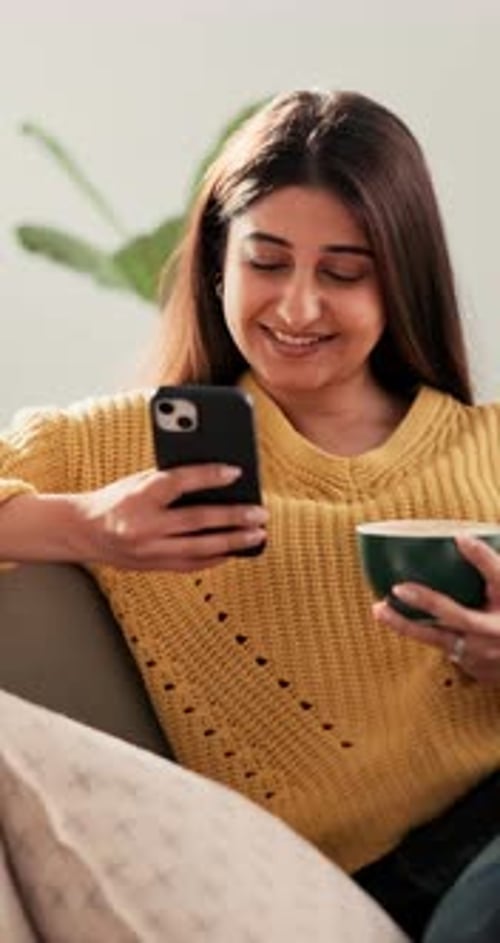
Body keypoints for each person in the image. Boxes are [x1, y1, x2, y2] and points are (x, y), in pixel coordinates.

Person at [2, 88, 500, 941]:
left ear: (401, 278)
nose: (298, 307)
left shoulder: (486, 446)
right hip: (306, 881)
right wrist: (87, 524)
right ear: (216, 265)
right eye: (267, 263)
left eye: (344, 272)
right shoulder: (119, 447)